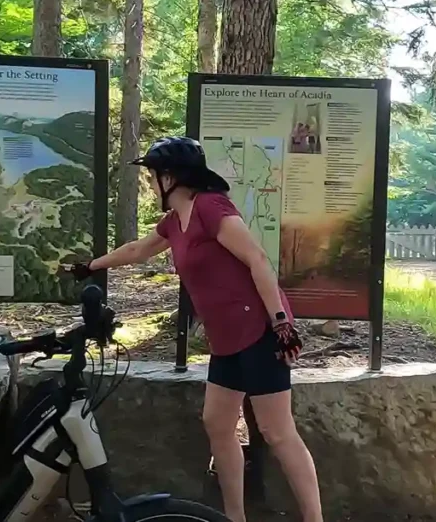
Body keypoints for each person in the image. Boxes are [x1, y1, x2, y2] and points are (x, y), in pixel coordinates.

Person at [68, 136, 324, 522]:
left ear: (169, 177)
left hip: (259, 329)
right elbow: (138, 249)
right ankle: (234, 518)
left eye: (153, 175)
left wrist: (282, 324)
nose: (150, 182)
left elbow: (256, 259)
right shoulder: (174, 221)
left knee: (276, 431)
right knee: (218, 424)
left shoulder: (210, 207)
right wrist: (92, 265)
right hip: (227, 339)